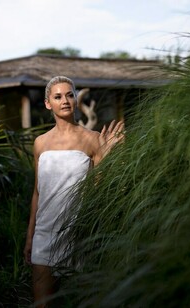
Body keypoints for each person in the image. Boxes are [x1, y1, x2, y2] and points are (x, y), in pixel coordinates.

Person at [23, 76, 125, 307]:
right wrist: (30, 236)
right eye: (58, 96)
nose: (65, 100)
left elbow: (98, 189)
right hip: (45, 233)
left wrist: (108, 159)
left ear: (76, 100)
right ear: (48, 103)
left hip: (79, 232)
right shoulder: (40, 143)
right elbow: (38, 192)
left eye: (70, 95)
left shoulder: (92, 139)